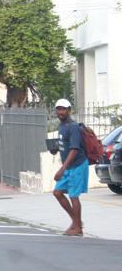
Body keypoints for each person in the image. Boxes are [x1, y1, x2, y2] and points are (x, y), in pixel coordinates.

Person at [52, 99, 88, 236]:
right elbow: (66, 144)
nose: (60, 112)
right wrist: (55, 148)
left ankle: (78, 228)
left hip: (77, 165)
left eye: (64, 109)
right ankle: (76, 222)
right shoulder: (62, 125)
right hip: (68, 166)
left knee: (73, 196)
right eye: (58, 109)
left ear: (69, 110)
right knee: (57, 192)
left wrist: (62, 170)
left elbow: (74, 149)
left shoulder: (73, 127)